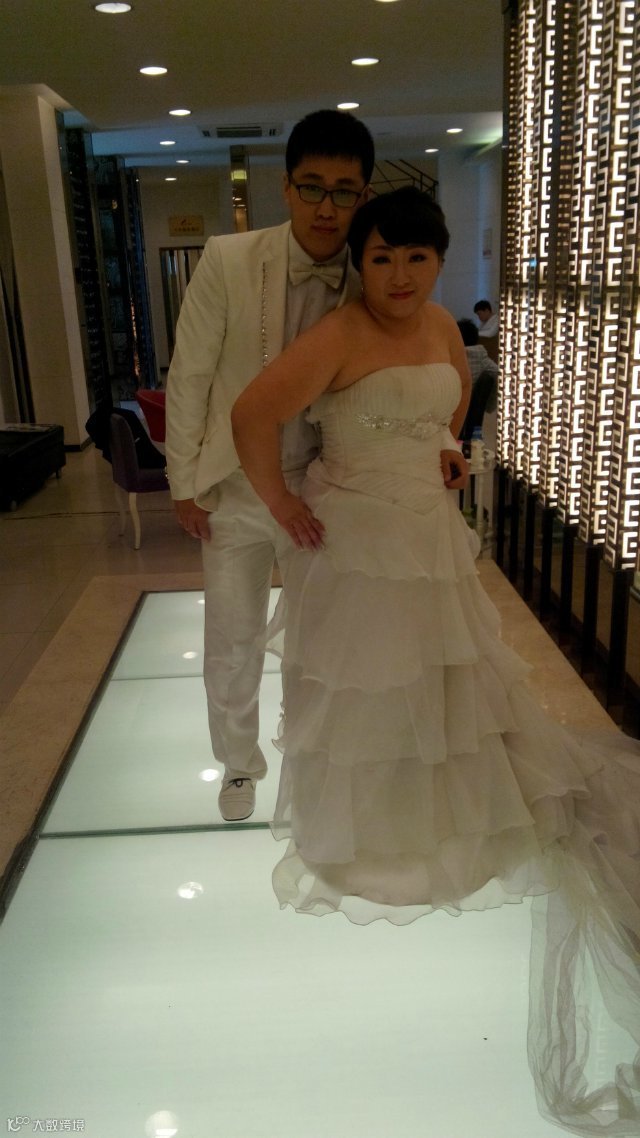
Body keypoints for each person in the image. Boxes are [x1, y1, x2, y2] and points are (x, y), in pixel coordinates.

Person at [232, 187, 640, 1135]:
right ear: (359, 263)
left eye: (417, 258)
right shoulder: (338, 335)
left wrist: (448, 449)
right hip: (355, 538)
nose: (400, 276)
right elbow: (254, 415)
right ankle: (372, 840)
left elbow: (448, 405)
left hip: (425, 528)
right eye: (382, 258)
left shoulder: (445, 331)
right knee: (370, 689)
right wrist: (279, 506)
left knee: (440, 682)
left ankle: (439, 828)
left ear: (439, 262)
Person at [165, 109, 375, 822]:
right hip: (232, 488)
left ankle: (315, 760)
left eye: (343, 191)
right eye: (312, 186)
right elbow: (190, 376)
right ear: (286, 188)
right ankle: (237, 766)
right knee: (233, 638)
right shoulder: (228, 259)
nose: (326, 206)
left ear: (363, 195)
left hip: (324, 488)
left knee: (322, 638)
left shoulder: (371, 278)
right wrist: (184, 485)